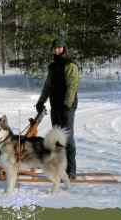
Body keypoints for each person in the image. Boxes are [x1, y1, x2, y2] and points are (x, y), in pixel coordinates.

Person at [35, 37, 79, 179]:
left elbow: (72, 86)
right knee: (56, 138)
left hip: (67, 107)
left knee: (68, 137)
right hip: (55, 106)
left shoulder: (70, 65)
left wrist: (67, 104)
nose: (57, 50)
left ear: (63, 48)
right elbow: (48, 86)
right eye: (55, 48)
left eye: (59, 47)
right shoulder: (53, 67)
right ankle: (59, 169)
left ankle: (71, 170)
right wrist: (41, 101)